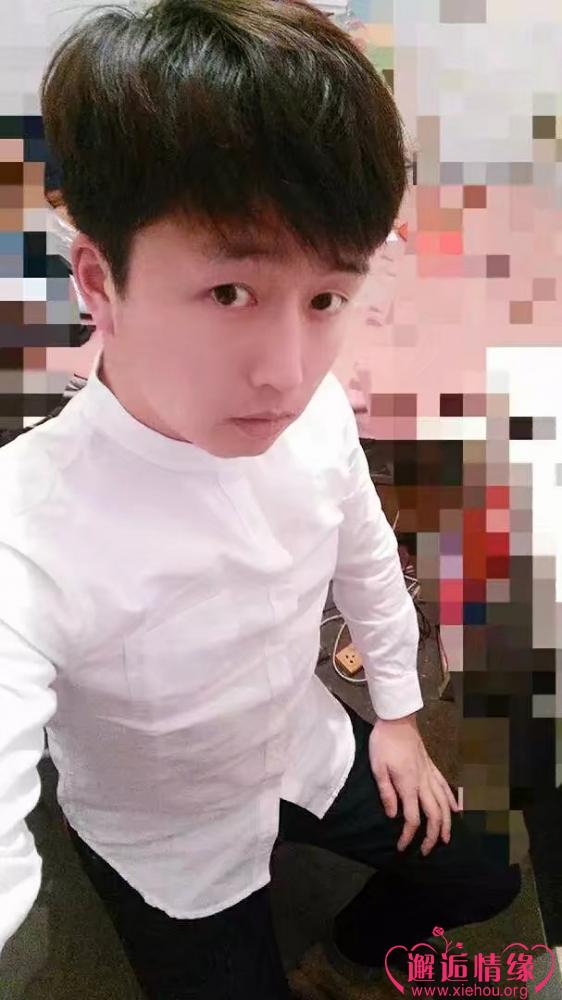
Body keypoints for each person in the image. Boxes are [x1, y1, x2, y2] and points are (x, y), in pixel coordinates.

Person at [0, 2, 521, 998]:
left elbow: (365, 556)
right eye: (230, 292)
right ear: (99, 280)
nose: (287, 374)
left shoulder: (314, 414)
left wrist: (398, 716)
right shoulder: (24, 535)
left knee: (486, 875)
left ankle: (353, 958)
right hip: (167, 841)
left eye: (324, 298)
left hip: (306, 747)